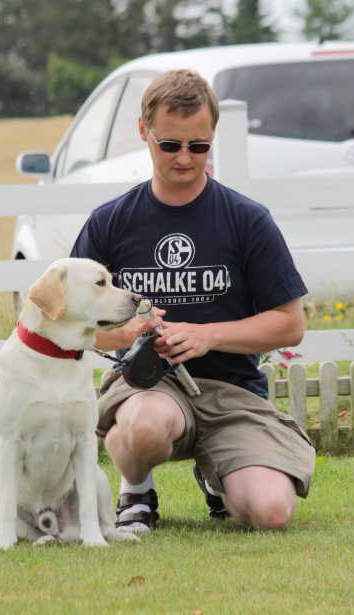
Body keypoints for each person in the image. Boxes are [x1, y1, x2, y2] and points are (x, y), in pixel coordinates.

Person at [70, 69, 316, 533]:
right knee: (145, 425)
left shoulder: (247, 219)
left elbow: (290, 324)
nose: (185, 158)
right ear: (143, 131)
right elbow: (71, 325)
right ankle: (136, 491)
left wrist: (206, 336)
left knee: (270, 512)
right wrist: (128, 333)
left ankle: (216, 472)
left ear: (212, 137)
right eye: (170, 145)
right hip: (146, 387)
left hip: (232, 392)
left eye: (198, 146)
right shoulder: (109, 222)